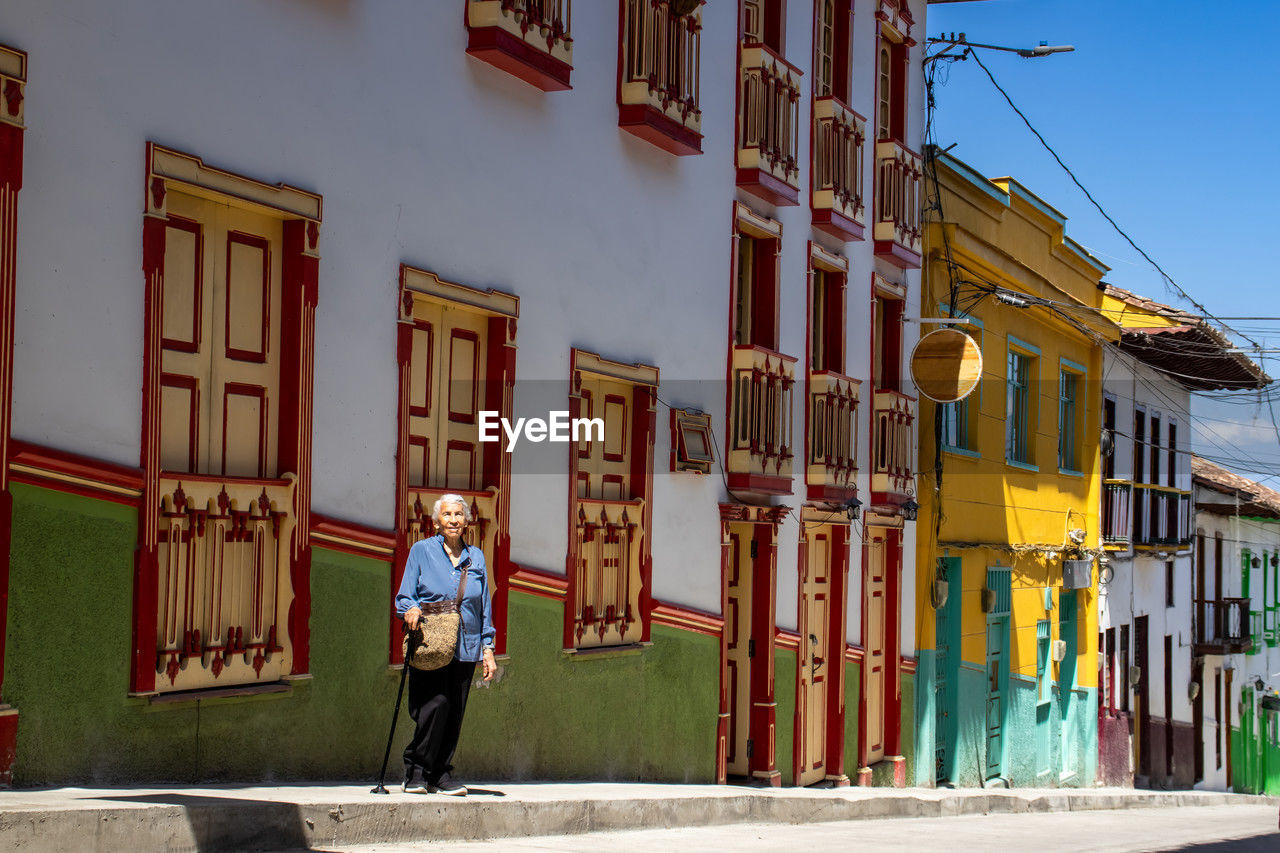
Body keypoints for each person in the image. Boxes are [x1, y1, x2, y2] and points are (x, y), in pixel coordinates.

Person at [394, 494, 497, 795]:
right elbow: (405, 594)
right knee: (432, 705)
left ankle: (440, 774)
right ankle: (415, 771)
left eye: (458, 515)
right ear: (437, 520)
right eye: (447, 514)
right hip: (431, 639)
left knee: (454, 709)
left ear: (466, 521)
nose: (453, 520)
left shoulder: (476, 557)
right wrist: (410, 609)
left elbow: (484, 605)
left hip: (467, 641)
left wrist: (487, 648)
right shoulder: (422, 551)